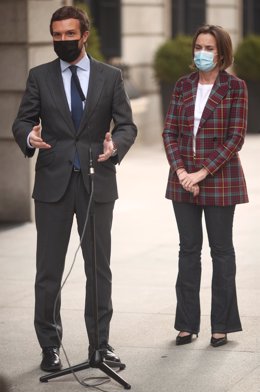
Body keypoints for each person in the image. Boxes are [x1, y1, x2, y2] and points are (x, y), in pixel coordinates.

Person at [12, 6, 137, 371]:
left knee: (98, 270)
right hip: (52, 184)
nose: (62, 41)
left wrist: (116, 148)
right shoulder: (39, 76)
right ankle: (49, 347)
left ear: (84, 35)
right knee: (48, 270)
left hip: (97, 181)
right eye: (56, 35)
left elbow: (127, 125)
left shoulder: (110, 76)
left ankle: (101, 345)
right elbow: (22, 121)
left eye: (69, 34)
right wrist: (29, 137)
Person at [162, 25, 248, 348]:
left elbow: (235, 138)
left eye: (209, 48)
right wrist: (182, 171)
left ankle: (221, 325)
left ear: (222, 53)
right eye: (199, 46)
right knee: (188, 251)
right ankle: (186, 324)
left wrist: (202, 173)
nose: (202, 53)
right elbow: (169, 132)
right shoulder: (183, 86)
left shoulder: (235, 87)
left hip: (220, 179)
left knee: (222, 252)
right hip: (182, 179)